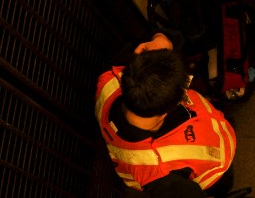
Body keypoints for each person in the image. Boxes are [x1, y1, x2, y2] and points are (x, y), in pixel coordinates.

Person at [95, 29, 236, 197]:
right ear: (169, 109)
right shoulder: (161, 174)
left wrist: (160, 38)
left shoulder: (113, 77)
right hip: (217, 176)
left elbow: (149, 39)